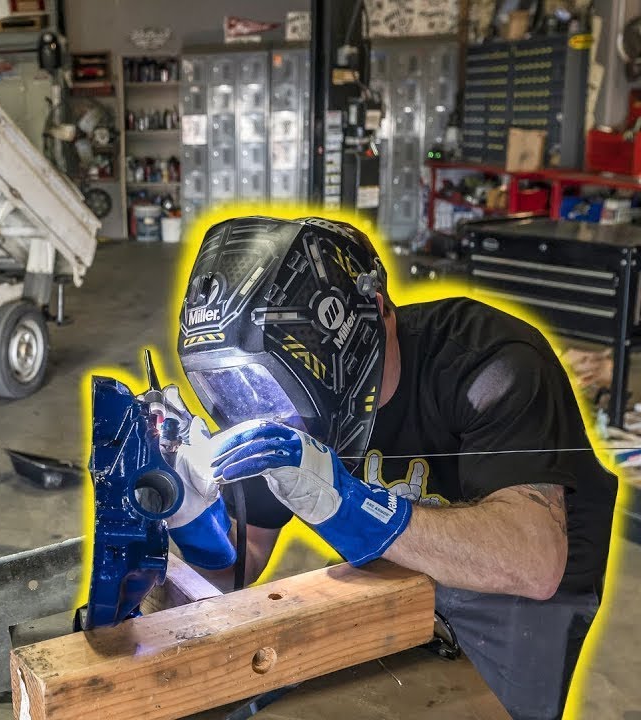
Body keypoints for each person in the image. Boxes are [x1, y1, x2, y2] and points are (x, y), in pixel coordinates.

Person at [169, 216, 617, 720]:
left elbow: (533, 564)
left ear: (375, 310)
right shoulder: (275, 399)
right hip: (397, 562)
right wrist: (190, 518)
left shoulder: (490, 363)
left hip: (521, 594)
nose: (270, 405)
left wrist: (351, 506)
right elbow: (243, 557)